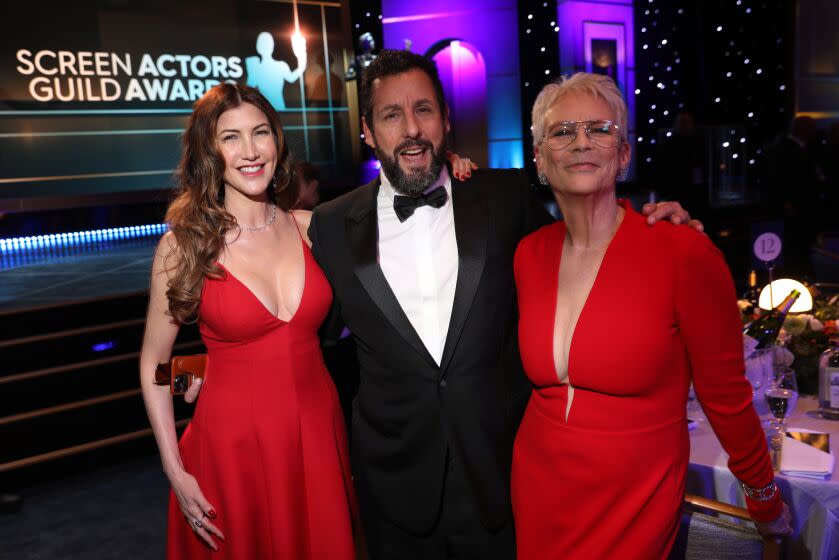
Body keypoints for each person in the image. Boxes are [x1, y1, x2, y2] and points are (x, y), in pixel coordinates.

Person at [301, 50, 697, 559]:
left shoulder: (505, 197)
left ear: (446, 119)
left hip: (503, 476)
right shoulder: (332, 224)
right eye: (391, 115)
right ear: (368, 131)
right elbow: (311, 333)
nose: (411, 129)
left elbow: (583, 249)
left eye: (423, 109)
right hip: (393, 484)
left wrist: (657, 229)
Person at [511, 72, 792, 559]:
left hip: (634, 501)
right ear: (539, 159)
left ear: (623, 154)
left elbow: (725, 395)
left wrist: (765, 500)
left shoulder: (682, 251)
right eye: (561, 131)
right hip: (538, 490)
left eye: (599, 129)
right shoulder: (528, 254)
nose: (580, 141)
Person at [139, 83, 357, 559]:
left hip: (317, 438)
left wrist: (451, 171)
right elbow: (155, 365)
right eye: (230, 137)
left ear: (278, 142)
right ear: (208, 152)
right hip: (231, 452)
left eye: (260, 133)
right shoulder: (184, 248)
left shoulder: (310, 227)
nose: (251, 151)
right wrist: (175, 469)